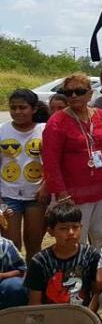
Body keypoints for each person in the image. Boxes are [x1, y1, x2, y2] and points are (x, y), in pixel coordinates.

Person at [25, 202, 102, 324]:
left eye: (75, 227)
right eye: (63, 228)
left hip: (84, 319)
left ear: (81, 227)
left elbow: (97, 291)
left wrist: (88, 316)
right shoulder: (39, 261)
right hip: (51, 323)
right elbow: (35, 303)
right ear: (50, 231)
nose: (71, 233)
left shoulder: (91, 255)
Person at [42, 73, 102, 248]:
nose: (74, 96)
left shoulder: (99, 115)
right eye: (69, 93)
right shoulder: (57, 122)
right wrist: (61, 194)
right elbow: (51, 162)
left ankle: (100, 272)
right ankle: (77, 274)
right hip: (73, 193)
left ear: (90, 94)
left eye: (79, 91)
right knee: (76, 237)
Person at [0, 89, 47, 260]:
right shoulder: (2, 130)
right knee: (11, 245)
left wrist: (46, 186)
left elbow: (52, 163)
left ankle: (32, 282)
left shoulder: (44, 130)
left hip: (36, 196)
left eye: (23, 107)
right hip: (8, 196)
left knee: (34, 244)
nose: (18, 112)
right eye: (13, 108)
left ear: (34, 109)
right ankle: (13, 282)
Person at [0, 211, 27, 309]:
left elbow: (21, 271)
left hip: (2, 288)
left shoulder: (6, 246)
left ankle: (10, 316)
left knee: (16, 286)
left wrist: (2, 276)